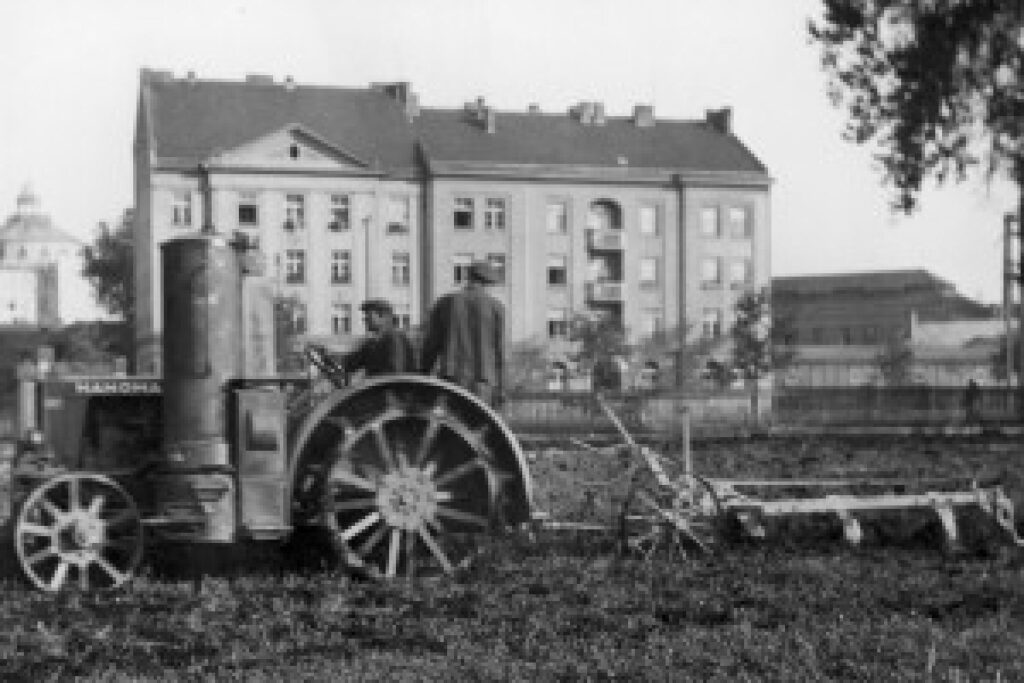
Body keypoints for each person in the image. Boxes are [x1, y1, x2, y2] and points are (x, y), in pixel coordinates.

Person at [420, 260, 505, 408]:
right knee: (479, 427)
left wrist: (423, 374)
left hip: (452, 378)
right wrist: (502, 387)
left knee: (453, 426)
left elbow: (431, 346)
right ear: (487, 282)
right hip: (483, 380)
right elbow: (500, 351)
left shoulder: (445, 303)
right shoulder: (496, 307)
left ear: (469, 277)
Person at [319, 298, 415, 379]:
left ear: (381, 316)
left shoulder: (395, 340)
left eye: (368, 315)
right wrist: (326, 355)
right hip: (376, 395)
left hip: (393, 398)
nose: (364, 319)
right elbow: (348, 362)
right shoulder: (372, 344)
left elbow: (394, 377)